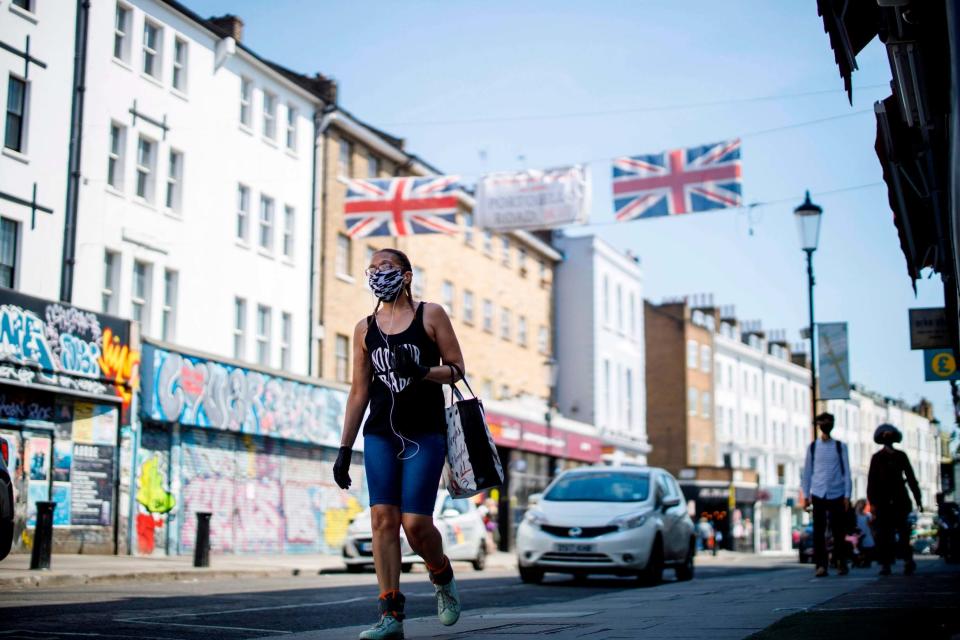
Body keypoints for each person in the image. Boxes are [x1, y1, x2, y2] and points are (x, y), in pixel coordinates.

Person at [333, 248, 466, 640]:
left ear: (406, 275)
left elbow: (458, 369)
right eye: (371, 268)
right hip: (380, 434)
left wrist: (424, 371)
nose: (377, 274)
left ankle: (441, 574)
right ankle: (391, 616)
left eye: (385, 267)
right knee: (382, 521)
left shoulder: (431, 314)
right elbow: (359, 392)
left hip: (426, 431)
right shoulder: (364, 328)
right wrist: (344, 449)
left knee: (416, 524)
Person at [867, 423, 922, 576]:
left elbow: (911, 478)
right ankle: (886, 564)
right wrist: (872, 503)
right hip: (882, 501)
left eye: (889, 434)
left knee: (903, 533)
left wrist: (918, 499)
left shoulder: (901, 456)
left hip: (899, 500)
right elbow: (872, 482)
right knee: (885, 535)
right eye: (884, 434)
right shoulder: (877, 458)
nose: (887, 437)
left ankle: (907, 560)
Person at [801, 412, 852, 577]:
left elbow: (847, 472)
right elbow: (807, 472)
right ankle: (821, 565)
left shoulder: (840, 446)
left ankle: (840, 562)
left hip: (837, 492)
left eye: (828, 421)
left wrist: (847, 495)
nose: (825, 424)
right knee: (819, 531)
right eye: (822, 421)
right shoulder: (813, 447)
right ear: (818, 425)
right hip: (818, 492)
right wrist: (806, 495)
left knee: (839, 532)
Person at [853, 499, 875, 568]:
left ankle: (866, 561)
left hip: (866, 531)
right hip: (858, 533)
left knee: (867, 547)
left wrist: (872, 533)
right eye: (861, 504)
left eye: (863, 504)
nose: (862, 506)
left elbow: (869, 525)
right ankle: (858, 561)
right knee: (858, 547)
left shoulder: (867, 515)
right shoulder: (854, 515)